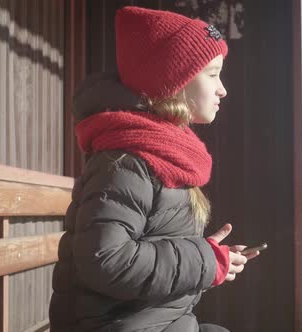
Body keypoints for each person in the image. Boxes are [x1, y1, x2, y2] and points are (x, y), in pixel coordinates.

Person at [49, 6, 260, 332]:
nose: (223, 90)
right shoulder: (127, 162)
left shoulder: (162, 153)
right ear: (175, 79)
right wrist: (203, 260)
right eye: (213, 74)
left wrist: (211, 259)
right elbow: (106, 261)